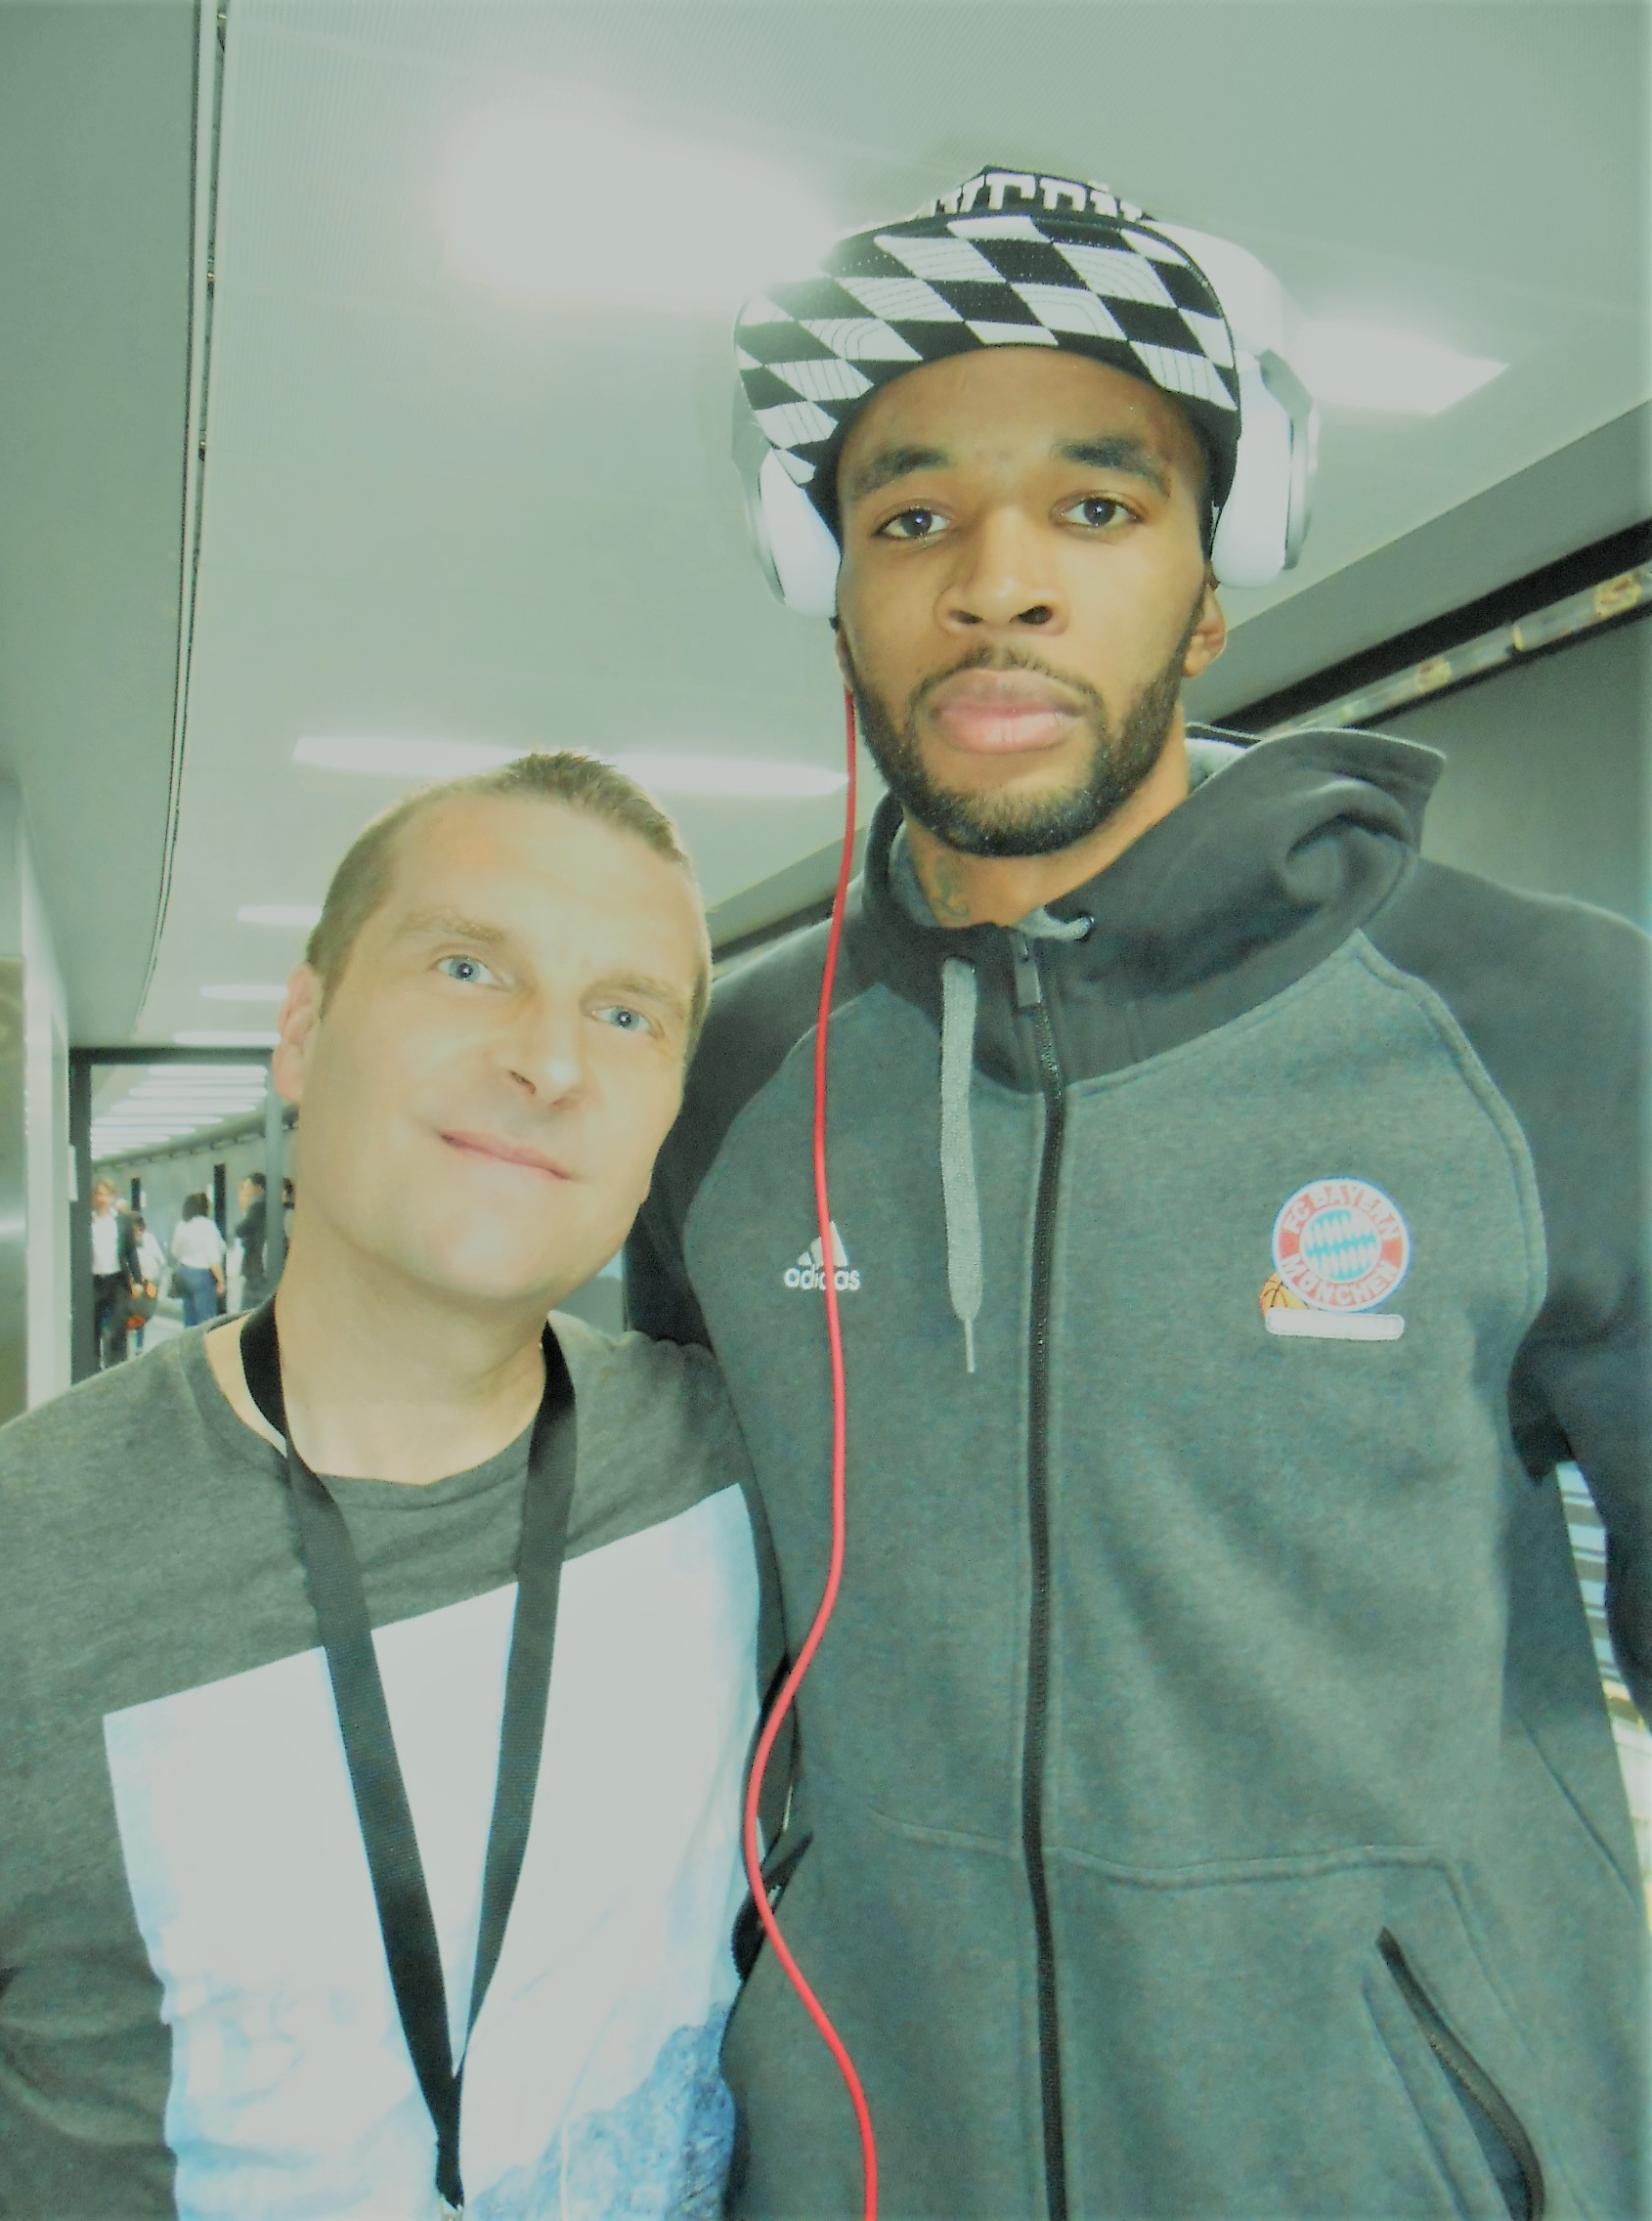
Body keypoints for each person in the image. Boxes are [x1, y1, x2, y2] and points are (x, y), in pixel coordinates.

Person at [627, 165, 1650, 2219]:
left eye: (1095, 506)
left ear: (1210, 583)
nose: (996, 583)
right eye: (910, 517)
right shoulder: (724, 1082)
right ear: (829, 586)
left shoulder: (1537, 1021)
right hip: (870, 2159)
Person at [0, 751, 765, 2216]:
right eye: (470, 968)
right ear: (303, 1028)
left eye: (626, 1013)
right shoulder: (17, 1557)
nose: (550, 1062)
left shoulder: (747, 1466)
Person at [90, 1176, 143, 1369]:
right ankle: (93, 1367)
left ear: (112, 1197)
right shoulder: (88, 1222)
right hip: (94, 1281)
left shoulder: (122, 1222)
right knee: (92, 1328)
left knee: (118, 1326)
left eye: (106, 1195)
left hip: (117, 1280)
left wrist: (137, 1281)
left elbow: (131, 1252)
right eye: (99, 1195)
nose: (102, 1199)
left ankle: (117, 1366)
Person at [168, 1190, 225, 1326]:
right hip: (202, 1275)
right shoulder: (207, 1226)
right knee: (206, 1319)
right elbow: (213, 1257)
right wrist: (221, 1280)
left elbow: (175, 1251)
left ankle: (189, 1338)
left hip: (184, 1273)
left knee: (189, 1317)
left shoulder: (182, 1225)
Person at [128, 1213, 165, 1357]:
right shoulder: (125, 1240)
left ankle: (139, 1345)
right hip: (129, 1282)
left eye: (138, 1229)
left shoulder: (149, 1239)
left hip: (147, 1282)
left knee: (141, 1313)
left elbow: (160, 1260)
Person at [235, 1168, 270, 1310]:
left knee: (247, 1308)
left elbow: (240, 1230)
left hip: (255, 1266)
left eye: (248, 1187)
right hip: (261, 1266)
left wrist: (245, 1210)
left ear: (258, 1189)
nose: (246, 1192)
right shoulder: (268, 1206)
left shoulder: (257, 1206)